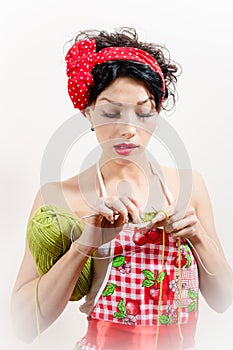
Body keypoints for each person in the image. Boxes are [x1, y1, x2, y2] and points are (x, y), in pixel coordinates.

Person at [11, 27, 233, 350]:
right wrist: (85, 244)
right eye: (111, 112)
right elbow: (21, 325)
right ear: (87, 111)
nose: (129, 129)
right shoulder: (57, 198)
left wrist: (198, 235)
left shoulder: (189, 186)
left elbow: (223, 300)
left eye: (143, 113)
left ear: (157, 112)